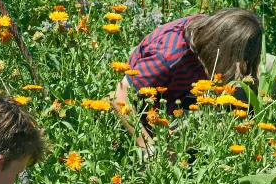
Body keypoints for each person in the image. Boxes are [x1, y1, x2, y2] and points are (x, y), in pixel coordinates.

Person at [111, 8, 264, 123]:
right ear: (220, 48)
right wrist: (147, 148)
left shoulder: (210, 30)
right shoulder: (168, 57)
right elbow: (119, 97)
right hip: (147, 110)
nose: (238, 66)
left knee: (267, 64)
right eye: (235, 59)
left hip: (180, 94)